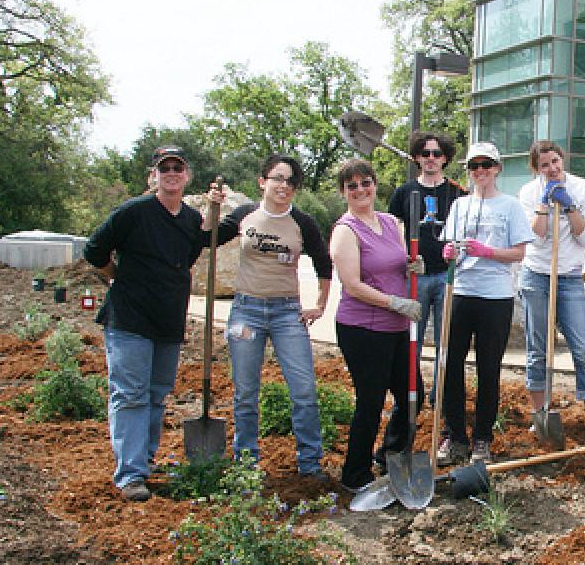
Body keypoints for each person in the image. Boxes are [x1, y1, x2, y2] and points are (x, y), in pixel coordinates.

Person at [84, 145, 226, 502]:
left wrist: (217, 209)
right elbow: (94, 249)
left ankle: (143, 461)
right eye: (165, 169)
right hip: (130, 318)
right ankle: (130, 473)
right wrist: (114, 277)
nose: (172, 173)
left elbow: (199, 247)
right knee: (130, 394)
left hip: (168, 319)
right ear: (154, 176)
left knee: (157, 394)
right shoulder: (134, 212)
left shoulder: (191, 220)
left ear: (187, 175)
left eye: (178, 167)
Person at [215, 154, 334, 483]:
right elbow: (208, 237)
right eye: (278, 178)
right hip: (246, 311)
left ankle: (310, 463)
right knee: (245, 392)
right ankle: (246, 463)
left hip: (286, 313)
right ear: (262, 181)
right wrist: (212, 209)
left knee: (304, 390)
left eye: (291, 181)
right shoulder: (244, 216)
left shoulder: (303, 222)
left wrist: (320, 305)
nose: (284, 186)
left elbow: (324, 264)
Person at [434, 142, 534, 466]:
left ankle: (482, 439)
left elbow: (519, 253)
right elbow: (449, 246)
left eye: (486, 165)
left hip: (495, 297)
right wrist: (449, 253)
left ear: (497, 168)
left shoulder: (510, 206)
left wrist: (487, 251)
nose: (480, 171)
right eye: (474, 165)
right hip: (461, 292)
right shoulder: (459, 206)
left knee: (488, 370)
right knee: (450, 366)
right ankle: (455, 437)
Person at [328, 159, 424, 493]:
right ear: (343, 192)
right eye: (351, 186)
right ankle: (355, 474)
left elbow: (396, 266)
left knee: (413, 394)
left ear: (375, 184)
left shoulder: (389, 222)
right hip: (363, 329)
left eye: (365, 182)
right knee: (370, 402)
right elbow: (353, 284)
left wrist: (412, 267)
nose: (360, 190)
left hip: (397, 329)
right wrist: (394, 302)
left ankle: (390, 455)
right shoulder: (345, 230)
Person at [517, 140, 585, 443]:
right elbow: (534, 236)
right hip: (536, 276)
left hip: (570, 278)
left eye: (555, 161)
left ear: (563, 159)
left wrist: (570, 205)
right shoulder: (528, 192)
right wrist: (545, 205)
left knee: (583, 351)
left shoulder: (582, 188)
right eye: (545, 165)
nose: (552, 169)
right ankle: (541, 419)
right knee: (538, 350)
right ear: (537, 169)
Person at [388, 131, 465, 403]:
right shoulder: (405, 193)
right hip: (416, 277)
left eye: (436, 154)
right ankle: (411, 395)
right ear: (417, 158)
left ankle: (440, 396)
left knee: (446, 341)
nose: (430, 159)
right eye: (425, 154)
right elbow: (394, 231)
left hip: (447, 275)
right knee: (412, 340)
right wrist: (404, 259)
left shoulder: (457, 193)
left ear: (445, 158)